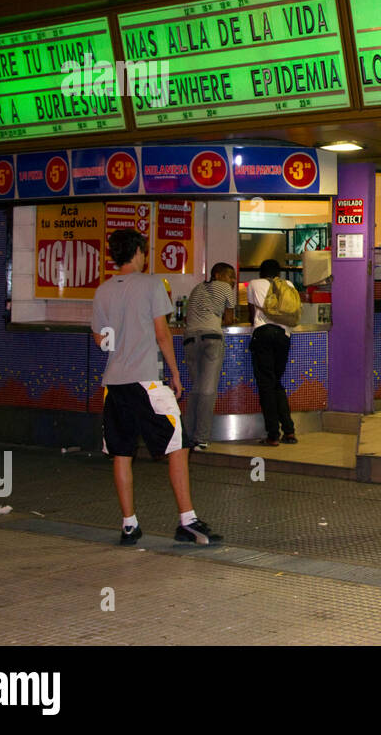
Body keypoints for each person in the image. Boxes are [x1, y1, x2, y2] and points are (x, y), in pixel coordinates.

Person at [91, 229, 221, 546]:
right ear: (137, 252)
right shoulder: (151, 285)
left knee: (122, 452)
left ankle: (129, 526)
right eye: (143, 251)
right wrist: (175, 373)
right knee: (180, 444)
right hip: (146, 381)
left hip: (114, 385)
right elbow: (162, 333)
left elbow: (101, 340)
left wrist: (120, 339)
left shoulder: (103, 291)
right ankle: (187, 521)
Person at [182, 262, 236, 450]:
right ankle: (201, 438)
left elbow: (188, 318)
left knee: (196, 389)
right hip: (212, 338)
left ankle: (187, 435)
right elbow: (229, 319)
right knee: (207, 390)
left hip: (190, 339)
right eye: (231, 277)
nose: (233, 281)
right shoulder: (225, 288)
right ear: (218, 275)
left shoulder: (197, 287)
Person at [248, 258, 296, 445]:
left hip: (263, 333)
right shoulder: (289, 284)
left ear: (261, 272)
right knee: (276, 382)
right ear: (279, 273)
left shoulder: (254, 284)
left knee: (266, 385)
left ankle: (273, 434)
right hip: (284, 336)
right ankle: (289, 431)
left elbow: (252, 314)